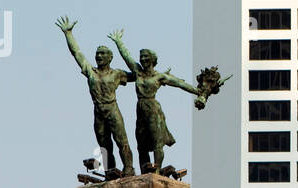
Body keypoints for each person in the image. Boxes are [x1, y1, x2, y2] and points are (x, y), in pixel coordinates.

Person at [108, 29, 206, 174]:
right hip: (140, 108)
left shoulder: (159, 76)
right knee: (141, 143)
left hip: (153, 108)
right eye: (141, 57)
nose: (143, 59)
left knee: (156, 142)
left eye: (146, 57)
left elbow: (179, 83)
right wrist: (118, 42)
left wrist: (198, 92)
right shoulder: (137, 72)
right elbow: (126, 56)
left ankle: (157, 169)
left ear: (153, 60)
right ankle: (144, 169)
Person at [56, 16, 135, 175]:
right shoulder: (90, 72)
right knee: (104, 145)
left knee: (122, 141)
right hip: (98, 111)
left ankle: (128, 168)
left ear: (110, 57)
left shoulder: (117, 74)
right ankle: (110, 171)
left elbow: (137, 73)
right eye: (97, 53)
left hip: (112, 109)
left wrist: (120, 45)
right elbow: (76, 53)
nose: (99, 56)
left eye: (103, 54)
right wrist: (68, 34)